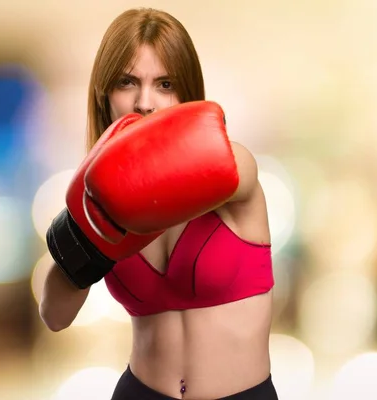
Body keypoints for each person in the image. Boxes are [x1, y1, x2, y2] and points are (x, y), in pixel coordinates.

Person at [40, 7, 278, 400]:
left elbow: (236, 173)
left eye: (165, 84)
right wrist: (90, 230)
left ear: (189, 93)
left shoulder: (233, 168)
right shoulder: (97, 199)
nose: (145, 103)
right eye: (126, 82)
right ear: (104, 95)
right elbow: (54, 316)